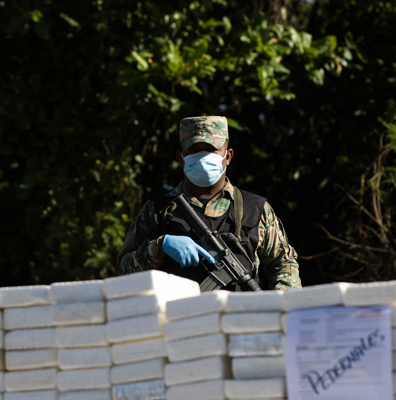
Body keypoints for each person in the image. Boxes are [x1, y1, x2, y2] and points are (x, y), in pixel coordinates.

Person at [117, 116, 301, 291]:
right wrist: (160, 246)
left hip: (241, 318)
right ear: (181, 158)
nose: (202, 157)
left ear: (227, 156)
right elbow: (124, 271)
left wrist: (279, 308)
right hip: (177, 318)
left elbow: (284, 265)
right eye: (194, 150)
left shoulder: (256, 209)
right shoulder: (157, 209)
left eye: (211, 150)